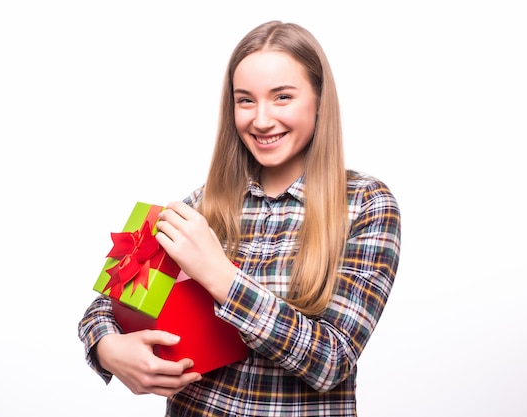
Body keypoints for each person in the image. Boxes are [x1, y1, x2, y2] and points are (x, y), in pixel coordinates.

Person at [78, 20, 401, 417]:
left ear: (319, 100)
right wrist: (107, 348)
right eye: (245, 100)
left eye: (282, 97)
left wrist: (221, 277)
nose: (261, 120)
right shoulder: (202, 204)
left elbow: (331, 361)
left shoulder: (366, 204)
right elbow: (109, 302)